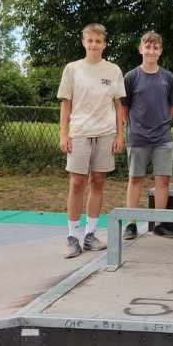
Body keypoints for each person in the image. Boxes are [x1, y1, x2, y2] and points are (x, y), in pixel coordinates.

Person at [57, 23, 126, 258]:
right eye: (90, 40)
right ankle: (72, 238)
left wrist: (119, 134)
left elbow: (118, 104)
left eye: (98, 41)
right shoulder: (72, 69)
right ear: (83, 42)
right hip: (80, 132)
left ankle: (90, 235)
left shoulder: (113, 70)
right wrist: (63, 134)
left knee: (98, 182)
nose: (94, 44)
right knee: (77, 183)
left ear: (104, 44)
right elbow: (66, 103)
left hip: (106, 133)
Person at [120, 31, 173, 241]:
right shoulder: (131, 77)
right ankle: (131, 223)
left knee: (163, 179)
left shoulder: (168, 77)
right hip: (137, 137)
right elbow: (123, 108)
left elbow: (172, 106)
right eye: (148, 47)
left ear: (160, 51)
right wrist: (132, 127)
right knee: (135, 178)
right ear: (141, 49)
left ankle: (159, 223)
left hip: (163, 137)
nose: (151, 51)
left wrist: (163, 124)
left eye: (155, 47)